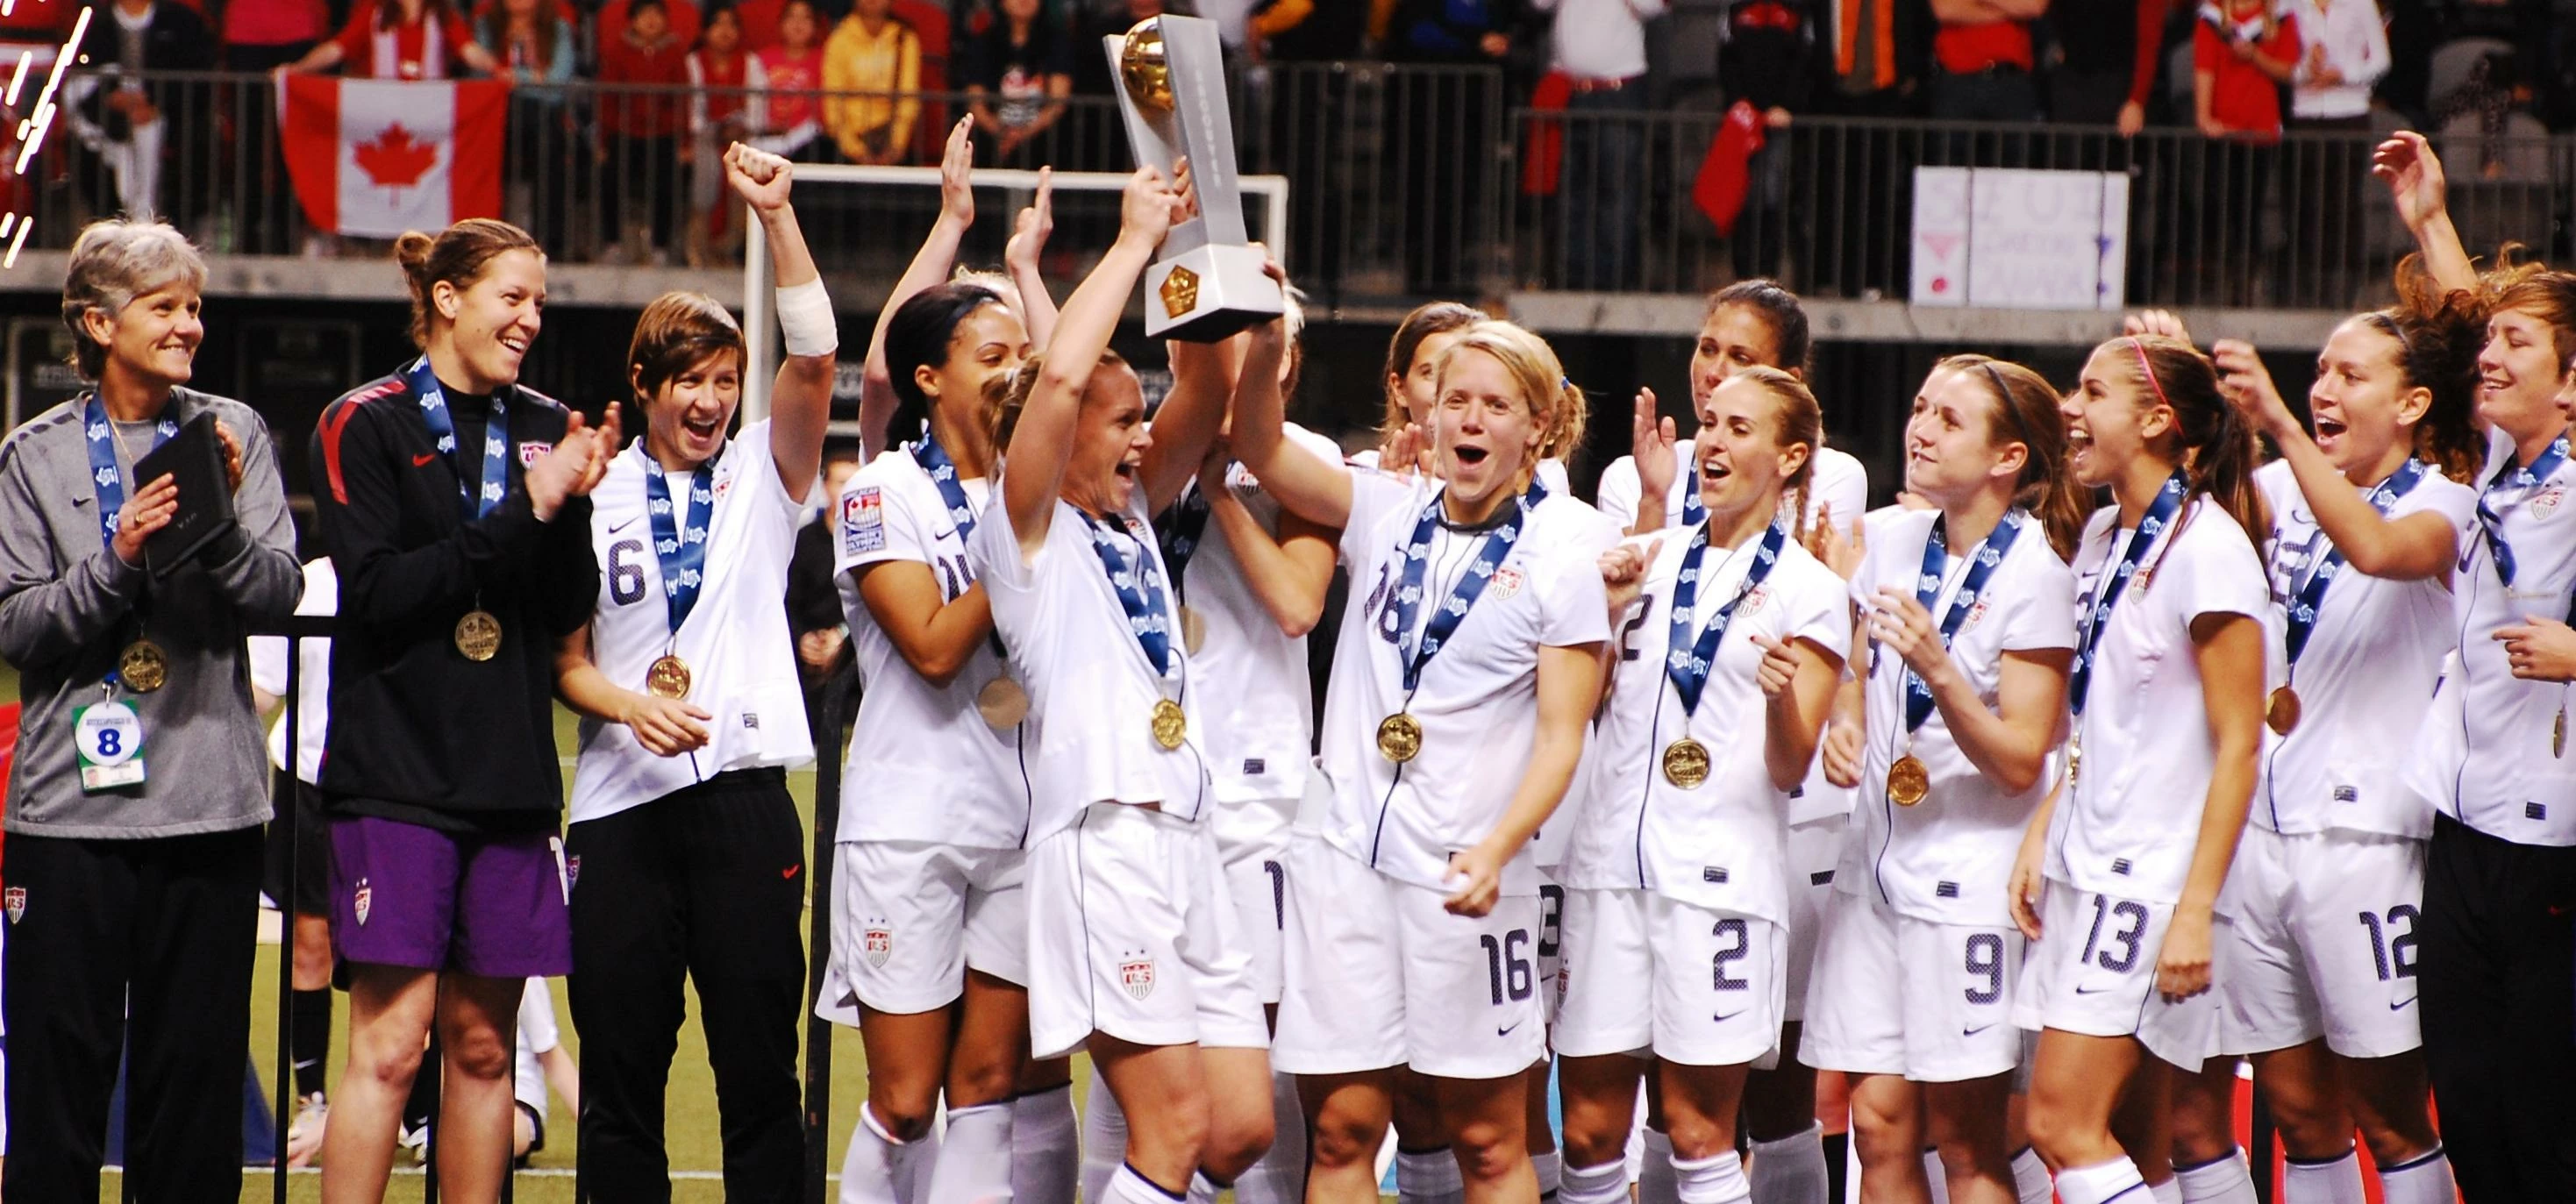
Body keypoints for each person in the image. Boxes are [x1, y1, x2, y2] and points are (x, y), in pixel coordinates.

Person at [1243, 315, 1612, 1204]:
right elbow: (1256, 443)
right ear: (1428, 412)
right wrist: (1259, 344)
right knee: (1340, 1128)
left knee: (1486, 1139)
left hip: (1467, 868)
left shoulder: (1569, 542)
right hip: (1345, 866)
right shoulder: (1381, 502)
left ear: (1539, 425)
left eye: (1496, 404)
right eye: (1455, 400)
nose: (1471, 421)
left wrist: (1496, 846)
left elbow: (1565, 732)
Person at [969, 163, 1277, 1204]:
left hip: (1190, 841)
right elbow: (1057, 383)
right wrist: (1131, 241)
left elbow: (1204, 386)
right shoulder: (1022, 532)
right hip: (1106, 842)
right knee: (1174, 1129)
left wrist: (1194, 251)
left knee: (1239, 1129)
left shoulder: (1131, 508)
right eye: (1119, 422)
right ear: (1049, 444)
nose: (1142, 434)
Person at [2150, 266, 2481, 1204]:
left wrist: (2285, 429)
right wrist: (2176, 382)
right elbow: (2181, 503)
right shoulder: (2274, 487)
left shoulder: (2449, 507)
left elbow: (2375, 550)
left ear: (2414, 401)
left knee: (2392, 1114)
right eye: (2319, 371)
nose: (2325, 388)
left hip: (2371, 839)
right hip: (2262, 828)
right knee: (2299, 1110)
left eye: (2351, 374)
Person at [308, 218, 617, 1203]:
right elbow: (381, 591)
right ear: (447, 298)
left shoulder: (547, 421)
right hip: (397, 775)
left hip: (513, 775)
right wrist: (526, 508)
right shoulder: (367, 420)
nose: (531, 317)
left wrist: (571, 502)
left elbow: (569, 604)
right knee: (393, 1048)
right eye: (511, 296)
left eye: (538, 300)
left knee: (485, 1048)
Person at [0, 218, 303, 1201]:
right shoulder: (32, 456)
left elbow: (278, 592)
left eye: (195, 306)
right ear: (98, 320)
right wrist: (120, 552)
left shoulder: (233, 431)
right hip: (71, 820)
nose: (189, 325)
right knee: (58, 1093)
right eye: (164, 306)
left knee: (195, 1093)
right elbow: (19, 626)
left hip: (211, 809)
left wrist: (212, 517)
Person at [553, 143, 829, 1204]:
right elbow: (566, 664)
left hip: (746, 801)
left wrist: (776, 219)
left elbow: (814, 360)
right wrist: (633, 706)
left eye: (726, 381)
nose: (712, 401)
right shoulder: (595, 489)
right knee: (623, 1079)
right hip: (623, 808)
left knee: (759, 1072)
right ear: (645, 384)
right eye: (690, 382)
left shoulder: (766, 472)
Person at [1593, 277, 1866, 1204]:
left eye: (1739, 413)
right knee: (1599, 1128)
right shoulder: (1647, 547)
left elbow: (1789, 762)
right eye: (1711, 413)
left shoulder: (1811, 576)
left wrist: (1794, 703)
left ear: (1791, 452)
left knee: (1726, 1115)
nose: (1712, 416)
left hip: (1729, 865)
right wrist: (1624, 563)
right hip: (1616, 869)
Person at [1077, 293, 1344, 1204]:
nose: (1234, 370)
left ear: (1283, 366)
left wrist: (1228, 490)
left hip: (1264, 797)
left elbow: (1297, 603)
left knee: (1255, 1063)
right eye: (1215, 354)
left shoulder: (1311, 464)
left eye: (1256, 353)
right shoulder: (1138, 448)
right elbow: (1135, 500)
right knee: (1141, 1043)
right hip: (1145, 792)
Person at [1798, 357, 2085, 1204]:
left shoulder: (2037, 573)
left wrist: (1938, 663)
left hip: (1969, 882)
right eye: (1919, 407)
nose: (1919, 428)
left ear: (2008, 458)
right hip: (1874, 875)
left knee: (1964, 1142)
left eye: (1948, 419)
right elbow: (1855, 667)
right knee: (1878, 1122)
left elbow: (2017, 760)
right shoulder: (1887, 537)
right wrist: (1846, 717)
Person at [2006, 334, 2269, 1204]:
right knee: (2139, 1141)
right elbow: (2098, 718)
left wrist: (2196, 909)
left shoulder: (2210, 547)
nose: (2070, 410)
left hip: (2153, 879)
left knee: (2059, 1122)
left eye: (2092, 391)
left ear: (2157, 420)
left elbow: (2241, 742)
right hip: (2096, 858)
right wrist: (2045, 828)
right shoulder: (2104, 538)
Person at [818, 274, 1045, 1204]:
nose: (1015, 371)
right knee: (909, 1098)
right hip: (910, 824)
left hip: (1026, 822)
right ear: (928, 378)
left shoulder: (1046, 485)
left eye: (1024, 355)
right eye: (992, 356)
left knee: (992, 1085)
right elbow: (934, 647)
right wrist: (1024, 530)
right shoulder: (882, 492)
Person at [2400, 256, 2576, 1199]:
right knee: (2466, 1105)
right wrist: (2430, 221)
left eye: (2520, 344)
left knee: (2541, 1118)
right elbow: (2483, 328)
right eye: (2491, 343)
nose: (2491, 357)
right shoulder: (2507, 468)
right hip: (2464, 830)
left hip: (2555, 846)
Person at [250, 556, 346, 1168]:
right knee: (309, 943)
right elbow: (261, 688)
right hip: (308, 780)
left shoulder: (420, 568)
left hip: (398, 784)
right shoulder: (308, 582)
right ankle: (312, 1099)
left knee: (397, 951)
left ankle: (416, 1108)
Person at [596, 0, 693, 266]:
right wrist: (604, 140)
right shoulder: (618, 50)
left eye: (657, 15)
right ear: (633, 21)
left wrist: (684, 140)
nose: (651, 20)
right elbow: (608, 98)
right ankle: (612, 243)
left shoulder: (674, 51)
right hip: (623, 132)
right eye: (644, 15)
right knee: (611, 182)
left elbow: (683, 99)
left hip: (663, 133)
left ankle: (660, 246)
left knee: (666, 185)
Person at [685, 8, 764, 267]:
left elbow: (758, 109)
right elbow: (692, 110)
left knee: (745, 171)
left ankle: (729, 248)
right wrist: (714, 131)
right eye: (718, 24)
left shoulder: (751, 63)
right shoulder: (694, 63)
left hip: (742, 139)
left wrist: (742, 128)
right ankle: (698, 250)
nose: (725, 31)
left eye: (731, 24)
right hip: (705, 139)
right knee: (707, 172)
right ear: (706, 30)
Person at [962, 0, 1073, 163]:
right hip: (992, 146)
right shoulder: (984, 43)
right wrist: (1003, 132)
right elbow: (976, 102)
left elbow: (1058, 101)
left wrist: (1023, 134)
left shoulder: (1057, 43)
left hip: (1045, 146)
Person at [282, 0, 496, 78]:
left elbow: (470, 51)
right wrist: (299, 68)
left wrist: (497, 69)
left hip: (429, 111)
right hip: (381, 109)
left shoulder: (443, 14)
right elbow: (336, 49)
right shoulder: (373, 12)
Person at [822, 0, 924, 166]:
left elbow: (908, 99)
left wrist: (896, 146)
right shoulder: (839, 40)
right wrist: (856, 151)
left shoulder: (905, 38)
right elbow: (833, 104)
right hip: (848, 145)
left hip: (891, 140)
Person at [752, 0, 826, 161]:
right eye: (791, 17)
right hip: (766, 138)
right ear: (781, 23)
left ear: (815, 25)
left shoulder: (824, 59)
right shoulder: (762, 59)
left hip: (806, 143)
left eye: (806, 18)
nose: (798, 24)